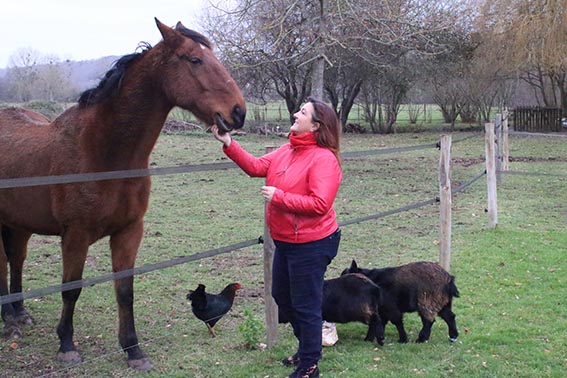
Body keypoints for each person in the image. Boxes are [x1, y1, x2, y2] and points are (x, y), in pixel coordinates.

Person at [211, 97, 342, 378]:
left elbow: (320, 204)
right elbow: (257, 167)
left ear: (316, 125)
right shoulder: (287, 151)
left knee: (305, 304)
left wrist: (279, 197)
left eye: (303, 112)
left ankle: (309, 365)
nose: (296, 113)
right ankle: (307, 346)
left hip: (313, 242)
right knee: (282, 295)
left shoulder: (324, 159)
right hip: (286, 240)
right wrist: (228, 143)